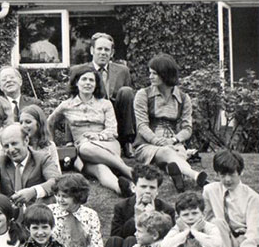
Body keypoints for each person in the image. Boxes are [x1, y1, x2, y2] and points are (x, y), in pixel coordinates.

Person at [48, 64, 133, 196]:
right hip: (83, 153)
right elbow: (49, 123)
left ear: (96, 84)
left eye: (91, 80)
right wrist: (50, 145)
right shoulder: (67, 105)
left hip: (108, 144)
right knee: (99, 168)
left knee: (87, 148)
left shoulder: (105, 104)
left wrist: (97, 136)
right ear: (76, 82)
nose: (88, 83)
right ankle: (123, 188)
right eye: (84, 79)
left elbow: (112, 131)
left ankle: (126, 170)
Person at [133, 53, 206, 192]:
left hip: (173, 143)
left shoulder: (183, 98)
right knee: (168, 152)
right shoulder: (143, 94)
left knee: (175, 154)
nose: (150, 77)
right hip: (147, 144)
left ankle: (175, 174)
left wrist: (173, 139)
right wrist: (158, 141)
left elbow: (187, 128)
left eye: (154, 74)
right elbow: (141, 126)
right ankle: (195, 175)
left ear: (165, 74)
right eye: (150, 73)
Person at [201, 149, 259, 247]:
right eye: (222, 174)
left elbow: (253, 235)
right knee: (217, 222)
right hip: (221, 239)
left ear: (240, 172)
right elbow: (205, 219)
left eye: (231, 174)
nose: (227, 179)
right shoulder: (210, 190)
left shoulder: (252, 197)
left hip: (244, 240)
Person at [0, 124, 61, 208]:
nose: (11, 150)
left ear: (26, 140)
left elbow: (56, 181)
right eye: (6, 146)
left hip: (38, 215)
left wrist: (33, 191)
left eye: (14, 143)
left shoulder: (42, 159)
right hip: (11, 216)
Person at [88, 32, 136, 157]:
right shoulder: (82, 70)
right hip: (96, 116)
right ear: (92, 50)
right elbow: (72, 101)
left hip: (118, 117)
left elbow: (128, 101)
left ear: (112, 53)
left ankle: (127, 142)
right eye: (99, 49)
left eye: (106, 49)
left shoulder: (122, 71)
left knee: (126, 91)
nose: (103, 52)